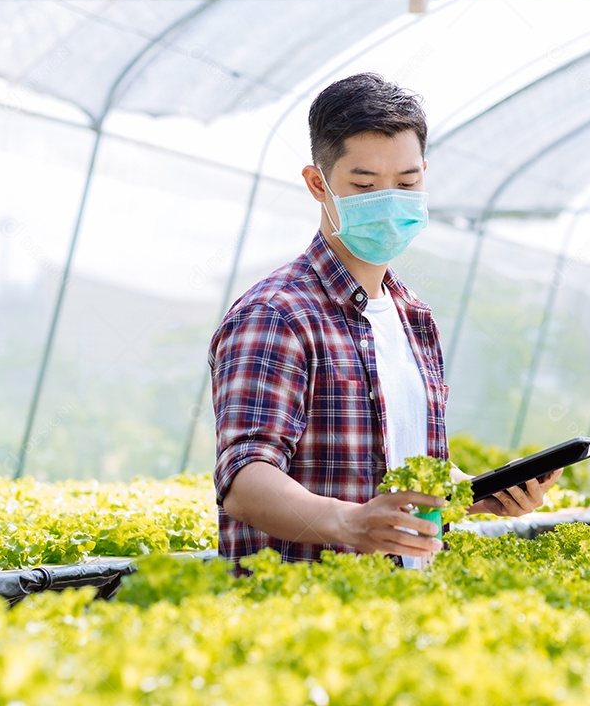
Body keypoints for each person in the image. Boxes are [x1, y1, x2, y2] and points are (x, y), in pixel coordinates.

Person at [209, 72, 561, 574]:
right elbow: (246, 481)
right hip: (304, 619)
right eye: (365, 184)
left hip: (404, 607)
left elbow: (405, 461)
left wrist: (475, 495)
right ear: (318, 184)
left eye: (408, 183)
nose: (390, 200)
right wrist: (349, 523)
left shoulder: (413, 316)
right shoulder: (276, 316)